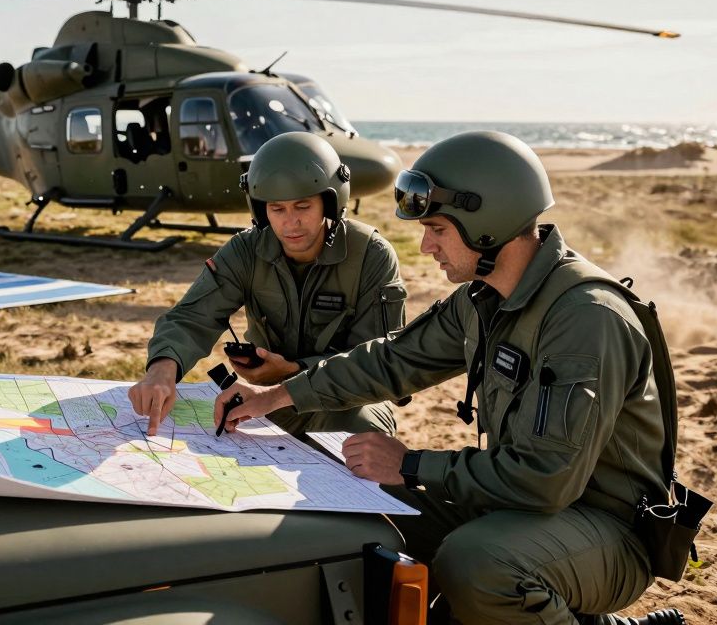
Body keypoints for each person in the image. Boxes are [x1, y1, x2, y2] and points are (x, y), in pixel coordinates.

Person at [215, 131, 685, 625]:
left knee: (477, 565)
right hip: (520, 506)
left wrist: (413, 464)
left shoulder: (585, 319)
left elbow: (546, 480)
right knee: (362, 503)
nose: (425, 245)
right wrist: (276, 394)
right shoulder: (483, 298)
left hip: (604, 529)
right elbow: (390, 360)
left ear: (488, 227)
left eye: (437, 228)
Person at [129, 132, 406, 439]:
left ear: (330, 201)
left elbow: (381, 363)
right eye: (277, 209)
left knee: (368, 445)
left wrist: (293, 370)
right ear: (261, 210)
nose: (290, 223)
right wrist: (163, 369)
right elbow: (192, 317)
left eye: (303, 207)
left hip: (347, 400)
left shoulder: (371, 255)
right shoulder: (246, 250)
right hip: (262, 396)